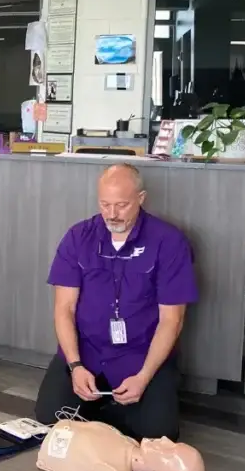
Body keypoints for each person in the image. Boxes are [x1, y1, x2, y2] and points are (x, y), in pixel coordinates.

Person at [34, 163, 198, 441]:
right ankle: (107, 414)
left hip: (141, 356)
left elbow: (173, 320)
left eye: (122, 205)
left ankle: (103, 414)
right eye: (105, 204)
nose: (112, 214)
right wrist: (75, 366)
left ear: (141, 198)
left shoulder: (169, 242)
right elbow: (64, 309)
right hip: (88, 352)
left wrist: (144, 376)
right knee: (49, 417)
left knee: (160, 433)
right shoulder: (78, 237)